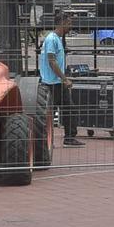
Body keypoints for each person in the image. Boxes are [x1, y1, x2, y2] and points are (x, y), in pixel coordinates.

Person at [38, 8, 82, 147]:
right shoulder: (52, 39)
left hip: (57, 81)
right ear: (62, 23)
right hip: (51, 82)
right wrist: (64, 78)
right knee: (49, 113)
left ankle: (69, 137)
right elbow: (51, 61)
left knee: (69, 109)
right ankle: (45, 140)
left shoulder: (57, 39)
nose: (70, 26)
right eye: (69, 23)